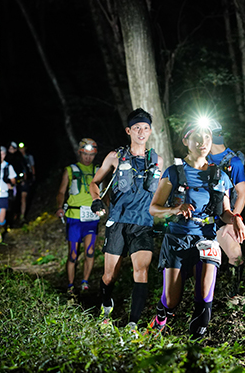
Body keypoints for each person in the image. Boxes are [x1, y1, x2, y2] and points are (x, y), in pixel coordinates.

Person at [147, 120, 245, 339]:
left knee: (204, 298)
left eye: (208, 137)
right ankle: (160, 318)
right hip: (177, 238)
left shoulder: (220, 176)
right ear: (186, 141)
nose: (203, 142)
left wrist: (236, 219)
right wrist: (175, 209)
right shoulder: (173, 172)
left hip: (207, 239)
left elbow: (225, 211)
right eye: (198, 137)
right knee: (172, 300)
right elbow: (154, 208)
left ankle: (194, 350)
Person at [89, 108, 163, 331]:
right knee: (110, 275)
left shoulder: (156, 159)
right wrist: (96, 200)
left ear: (150, 132)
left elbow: (162, 190)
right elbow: (95, 182)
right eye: (137, 128)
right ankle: (105, 307)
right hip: (118, 222)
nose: (142, 132)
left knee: (141, 271)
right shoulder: (115, 156)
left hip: (143, 224)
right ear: (129, 131)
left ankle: (132, 323)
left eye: (146, 128)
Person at [206, 121, 245, 297]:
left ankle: (234, 295)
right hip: (201, 216)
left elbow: (242, 193)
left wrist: (234, 220)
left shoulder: (233, 162)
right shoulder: (201, 158)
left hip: (223, 216)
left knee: (235, 255)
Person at [56, 138, 101, 296]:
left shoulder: (98, 170)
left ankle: (85, 283)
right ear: (79, 153)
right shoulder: (70, 169)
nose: (88, 157)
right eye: (85, 154)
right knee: (73, 254)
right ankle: (70, 285)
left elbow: (105, 192)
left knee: (90, 251)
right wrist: (60, 207)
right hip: (74, 217)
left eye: (91, 154)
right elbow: (62, 191)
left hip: (92, 217)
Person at [0, 146, 17, 243]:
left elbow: (14, 180)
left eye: (2, 154)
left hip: (3, 195)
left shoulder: (8, 166)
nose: (0, 156)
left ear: (4, 155)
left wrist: (10, 184)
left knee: (1, 220)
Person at [5, 141, 27, 225]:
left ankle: (17, 216)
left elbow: (23, 168)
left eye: (13, 148)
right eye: (10, 148)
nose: (11, 150)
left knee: (18, 199)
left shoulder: (19, 157)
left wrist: (23, 179)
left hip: (18, 182)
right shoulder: (6, 158)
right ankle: (8, 219)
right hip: (7, 184)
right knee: (9, 201)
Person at [18, 142, 36, 222]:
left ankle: (22, 215)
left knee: (23, 197)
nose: (21, 149)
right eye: (20, 148)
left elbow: (32, 167)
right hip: (17, 181)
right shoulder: (16, 158)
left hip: (27, 180)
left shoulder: (29, 157)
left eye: (22, 147)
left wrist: (33, 176)